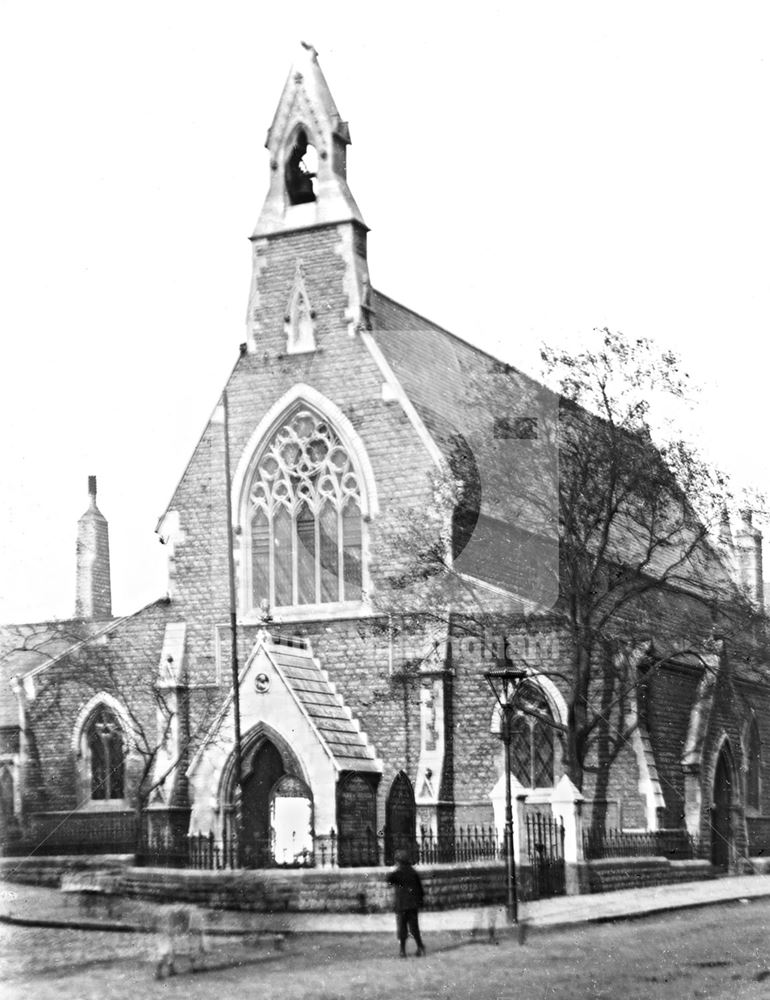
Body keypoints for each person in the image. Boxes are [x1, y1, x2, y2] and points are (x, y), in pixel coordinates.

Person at [386, 849, 426, 958]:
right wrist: (420, 902)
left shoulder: (397, 873)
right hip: (412, 905)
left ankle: (402, 951)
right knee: (414, 928)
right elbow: (420, 890)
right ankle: (420, 946)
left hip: (401, 905)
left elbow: (388, 880)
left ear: (398, 861)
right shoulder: (413, 872)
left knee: (402, 929)